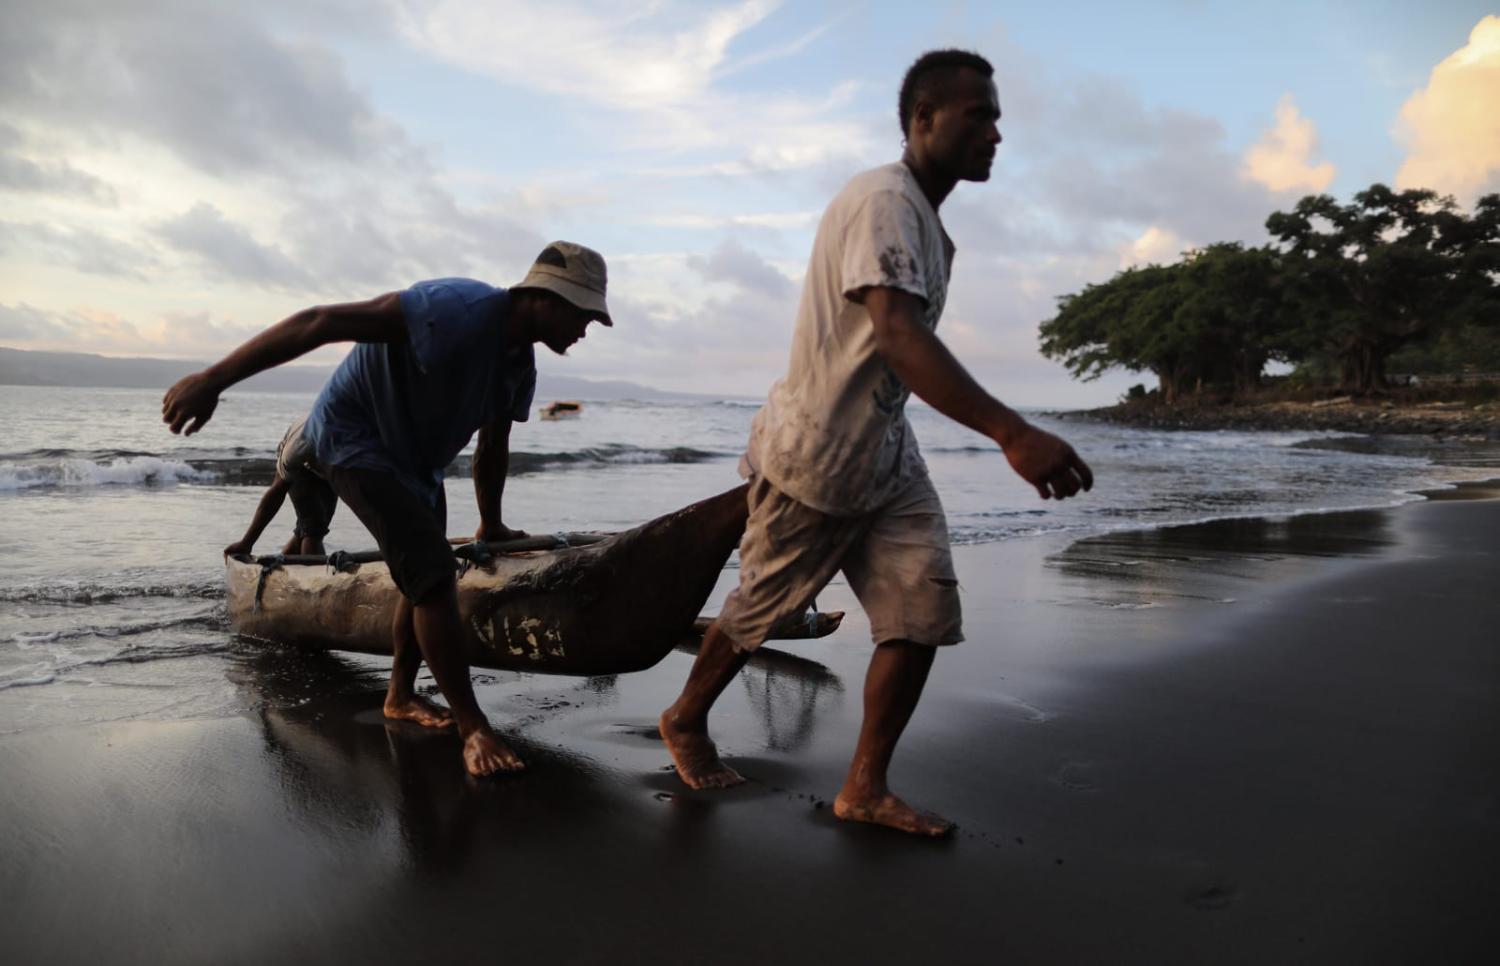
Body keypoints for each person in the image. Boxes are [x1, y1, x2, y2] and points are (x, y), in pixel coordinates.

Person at [658, 50, 1094, 836]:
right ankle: (686, 718)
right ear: (923, 119)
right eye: (979, 116)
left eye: (997, 118)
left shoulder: (927, 222)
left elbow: (896, 348)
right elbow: (897, 333)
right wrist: (1012, 431)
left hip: (887, 454)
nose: (996, 133)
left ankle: (864, 786)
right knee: (760, 609)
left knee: (920, 611)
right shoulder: (885, 200)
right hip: (817, 454)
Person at [164, 242, 613, 776]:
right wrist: (212, 380)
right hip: (353, 438)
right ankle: (474, 728)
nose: (585, 330)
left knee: (420, 578)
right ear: (546, 298)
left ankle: (399, 695)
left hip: (416, 464)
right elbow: (321, 321)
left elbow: (493, 446)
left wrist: (490, 522)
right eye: (583, 315)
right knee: (433, 575)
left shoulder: (517, 366)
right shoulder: (455, 308)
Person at [223, 416, 338, 558]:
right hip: (301, 457)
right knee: (313, 527)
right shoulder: (297, 451)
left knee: (317, 522)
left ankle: (285, 563)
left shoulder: (353, 441)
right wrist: (247, 543)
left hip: (332, 452)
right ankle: (313, 571)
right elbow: (277, 490)